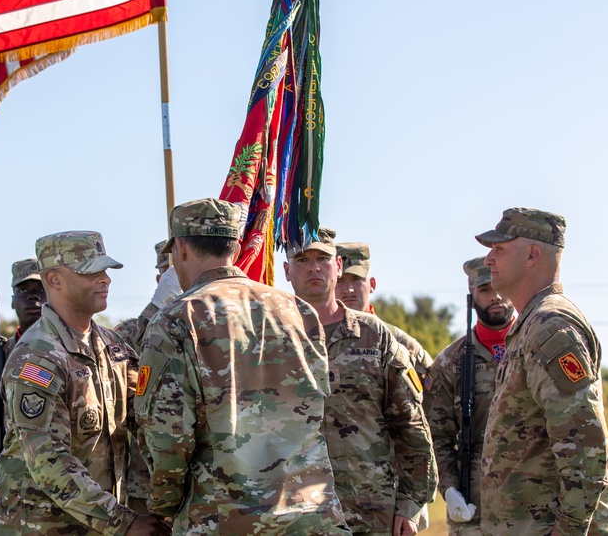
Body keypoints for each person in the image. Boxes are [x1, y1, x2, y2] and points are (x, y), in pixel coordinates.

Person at [135, 198, 351, 534]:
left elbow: (168, 436)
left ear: (180, 248)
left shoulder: (176, 319)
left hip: (225, 518)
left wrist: (163, 505)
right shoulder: (299, 311)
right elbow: (319, 408)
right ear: (236, 247)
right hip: (311, 516)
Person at [0, 231, 169, 536]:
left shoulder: (113, 347)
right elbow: (48, 459)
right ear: (55, 280)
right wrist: (122, 522)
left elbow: (149, 421)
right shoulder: (38, 357)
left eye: (106, 271)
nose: (105, 280)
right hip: (41, 527)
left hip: (97, 524)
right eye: (91, 272)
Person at [475, 208, 608, 535]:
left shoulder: (550, 327)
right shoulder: (530, 325)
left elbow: (584, 446)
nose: (488, 259)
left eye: (499, 249)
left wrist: (569, 529)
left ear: (532, 255)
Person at [286, 228, 438, 536]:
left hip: (371, 513)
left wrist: (411, 505)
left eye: (322, 258)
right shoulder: (273, 338)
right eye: (302, 259)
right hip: (296, 514)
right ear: (287, 270)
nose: (314, 266)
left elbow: (410, 426)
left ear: (338, 266)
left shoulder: (375, 335)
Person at [423, 257, 516, 536]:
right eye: (485, 289)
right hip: (475, 504)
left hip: (534, 498)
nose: (496, 296)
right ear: (472, 297)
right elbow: (436, 437)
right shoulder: (450, 363)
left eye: (501, 287)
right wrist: (449, 488)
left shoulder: (533, 348)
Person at [0, 258, 47, 516]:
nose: (33, 299)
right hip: (13, 496)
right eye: (24, 292)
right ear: (13, 301)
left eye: (40, 291)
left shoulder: (73, 351)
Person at [114, 240, 182, 514]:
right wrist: (157, 306)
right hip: (147, 479)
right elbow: (115, 357)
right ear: (159, 280)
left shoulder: (212, 323)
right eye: (170, 273)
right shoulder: (135, 328)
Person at [335, 242, 433, 376]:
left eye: (356, 279)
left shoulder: (396, 340)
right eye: (339, 281)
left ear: (372, 284)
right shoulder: (316, 336)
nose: (349, 289)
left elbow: (435, 387)